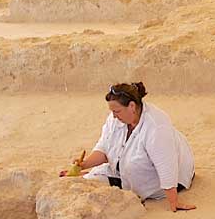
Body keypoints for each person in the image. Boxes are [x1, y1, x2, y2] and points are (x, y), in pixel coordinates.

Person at [64, 82, 196, 212]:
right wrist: (84, 164)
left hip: (163, 179)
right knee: (88, 181)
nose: (114, 116)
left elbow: (166, 165)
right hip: (124, 171)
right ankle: (88, 174)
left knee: (130, 172)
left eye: (117, 111)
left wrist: (174, 202)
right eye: (112, 112)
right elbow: (104, 147)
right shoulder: (115, 118)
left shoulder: (156, 127)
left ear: (132, 106)